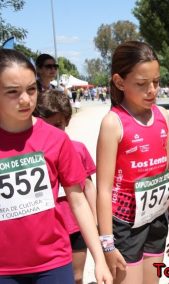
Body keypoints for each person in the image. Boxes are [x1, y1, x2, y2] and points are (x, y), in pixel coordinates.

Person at [0, 49, 112, 283]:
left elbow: (78, 201)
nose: (25, 99)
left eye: (31, 90)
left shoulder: (57, 139)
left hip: (53, 263)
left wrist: (99, 257)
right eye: (13, 92)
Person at [96, 41, 169, 284]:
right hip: (124, 223)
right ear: (120, 82)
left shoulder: (162, 115)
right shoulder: (113, 123)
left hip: (155, 217)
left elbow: (166, 173)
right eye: (142, 84)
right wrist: (107, 243)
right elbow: (103, 189)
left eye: (156, 81)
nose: (152, 90)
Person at [34, 89, 98, 284]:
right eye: (48, 125)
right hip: (47, 229)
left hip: (75, 225)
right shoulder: (32, 153)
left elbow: (88, 186)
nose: (54, 130)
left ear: (67, 121)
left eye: (58, 125)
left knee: (76, 277)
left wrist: (96, 222)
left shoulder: (78, 149)